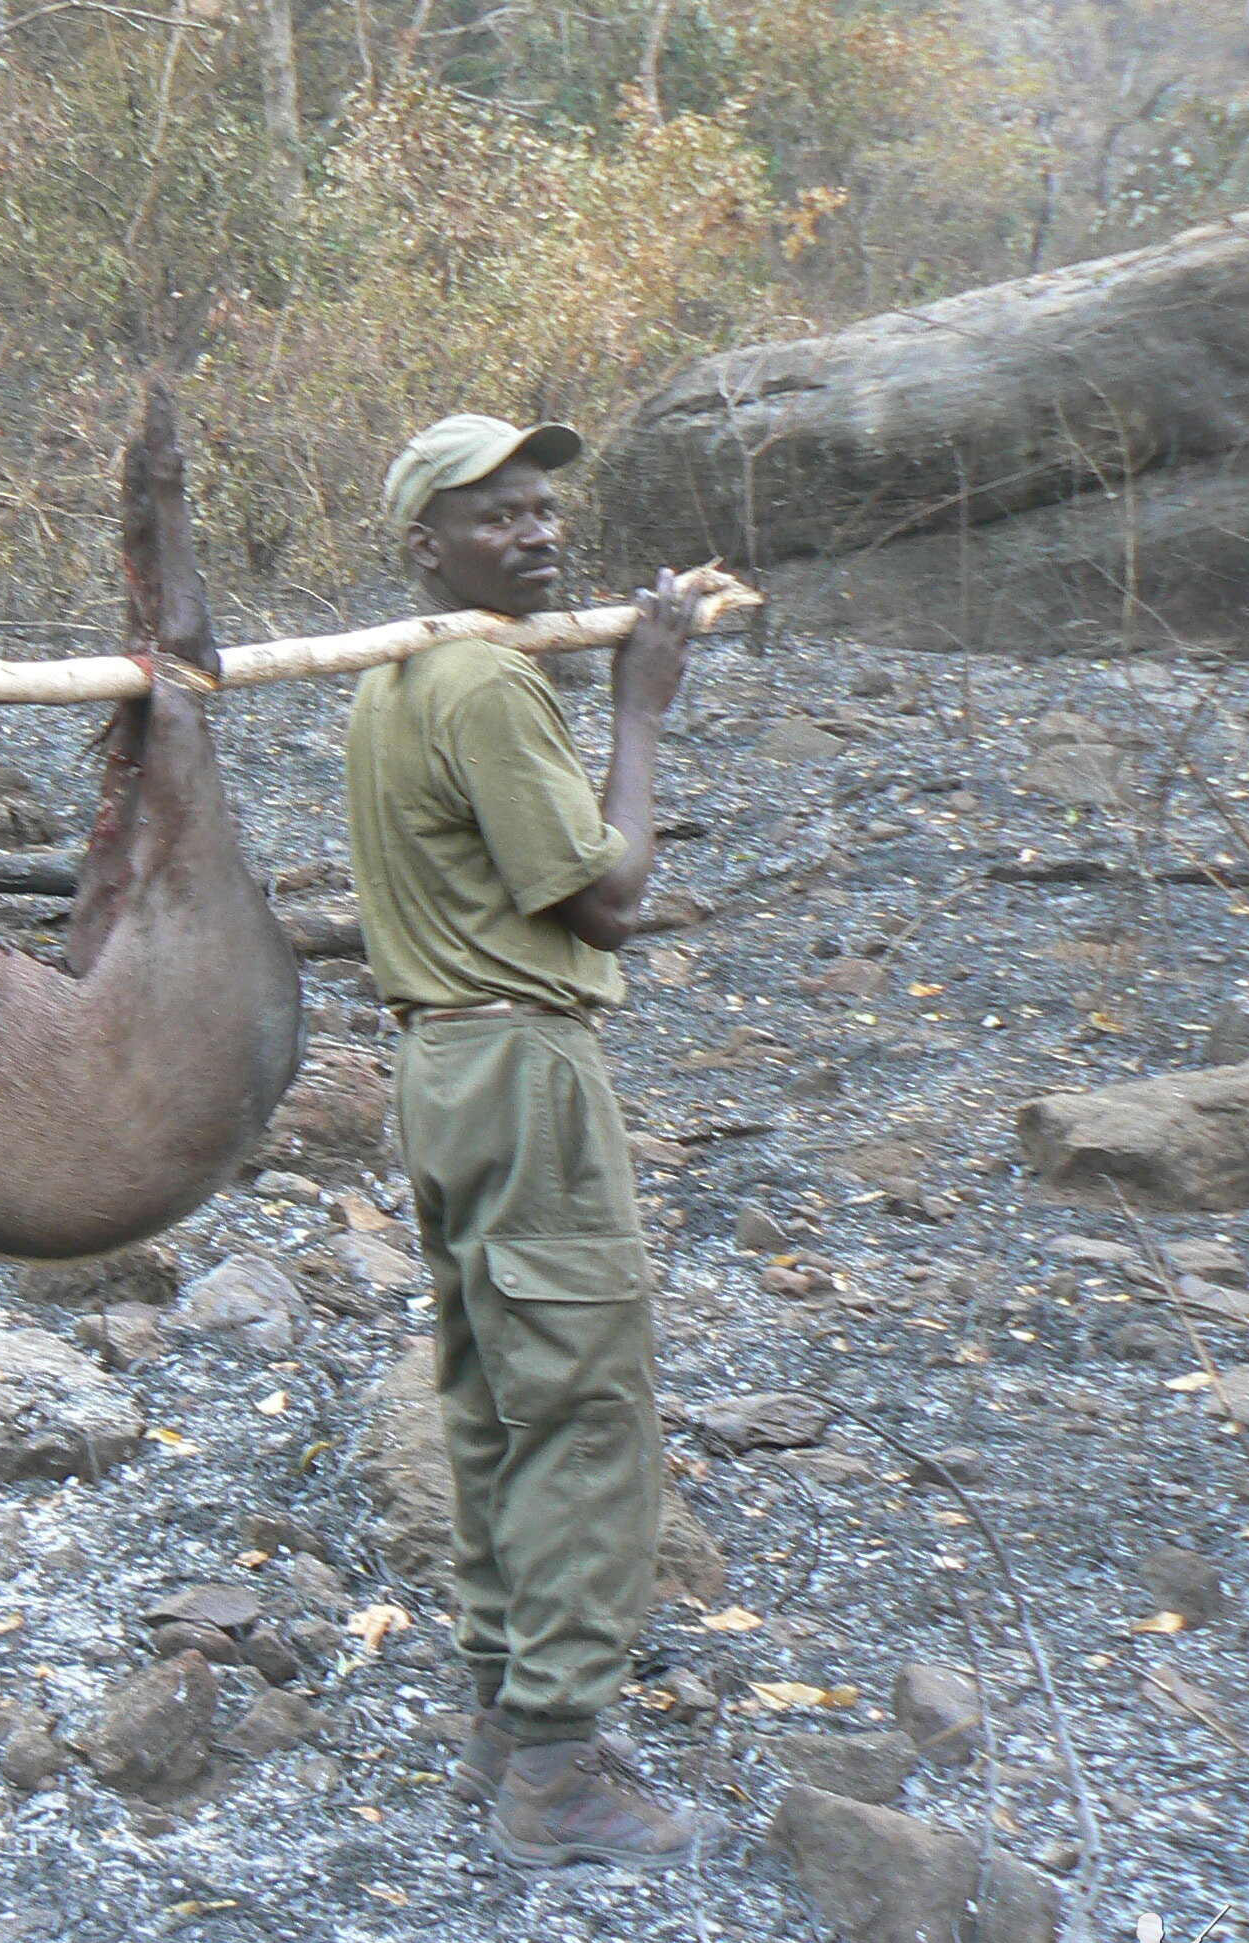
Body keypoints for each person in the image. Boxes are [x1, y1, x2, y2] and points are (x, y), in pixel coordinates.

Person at [343, 414, 705, 1869]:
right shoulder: (489, 681)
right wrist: (642, 709)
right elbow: (607, 903)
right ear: (424, 544)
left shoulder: (396, 674)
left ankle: (501, 1711)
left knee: (494, 1391)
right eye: (497, 518)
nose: (540, 536)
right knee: (583, 1408)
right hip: (521, 1068)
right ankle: (557, 1769)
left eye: (545, 511)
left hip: (442, 1068)